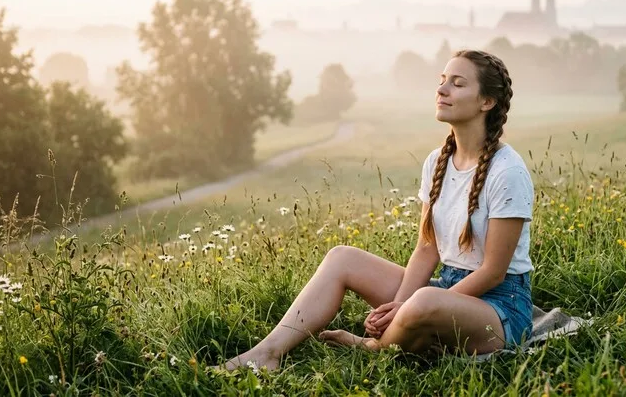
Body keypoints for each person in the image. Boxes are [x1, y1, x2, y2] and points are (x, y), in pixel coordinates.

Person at [222, 49, 534, 372]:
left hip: (500, 307)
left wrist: (411, 307)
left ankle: (371, 347)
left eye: (457, 84)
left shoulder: (507, 171)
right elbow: (426, 249)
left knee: (425, 301)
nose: (442, 90)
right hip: (447, 287)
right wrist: (399, 304)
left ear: (487, 102)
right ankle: (268, 352)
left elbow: (494, 271)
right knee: (342, 257)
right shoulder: (437, 162)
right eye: (442, 81)